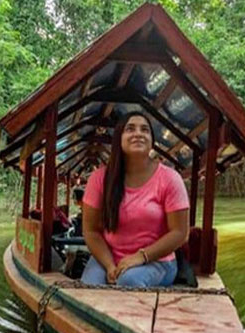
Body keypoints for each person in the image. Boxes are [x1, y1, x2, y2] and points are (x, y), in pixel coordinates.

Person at [81, 110, 189, 287]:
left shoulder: (170, 178)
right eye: (130, 129)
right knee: (90, 288)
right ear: (119, 138)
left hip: (157, 261)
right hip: (109, 257)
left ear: (151, 141)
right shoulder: (99, 179)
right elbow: (91, 231)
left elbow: (180, 233)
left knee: (128, 281)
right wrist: (109, 266)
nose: (138, 133)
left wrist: (141, 256)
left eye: (144, 130)